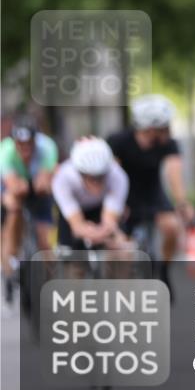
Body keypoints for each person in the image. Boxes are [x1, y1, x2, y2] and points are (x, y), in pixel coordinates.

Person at [107, 94, 195, 289]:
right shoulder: (119, 141)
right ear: (150, 128)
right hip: (124, 193)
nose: (169, 130)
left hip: (152, 192)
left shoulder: (168, 143)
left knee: (172, 227)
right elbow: (111, 176)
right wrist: (115, 205)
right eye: (165, 127)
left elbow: (174, 172)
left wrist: (182, 203)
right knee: (121, 248)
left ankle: (163, 269)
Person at [1, 116, 58, 301]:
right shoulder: (6, 151)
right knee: (14, 207)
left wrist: (37, 184)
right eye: (20, 144)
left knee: (44, 235)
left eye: (29, 144)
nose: (25, 149)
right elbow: (12, 185)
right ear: (14, 142)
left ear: (35, 141)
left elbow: (43, 182)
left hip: (37, 187)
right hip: (11, 185)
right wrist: (20, 187)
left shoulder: (47, 147)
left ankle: (50, 280)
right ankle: (9, 262)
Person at [52, 137, 132, 251]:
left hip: (101, 207)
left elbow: (109, 222)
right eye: (90, 177)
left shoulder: (118, 176)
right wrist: (88, 232)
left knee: (119, 248)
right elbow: (77, 227)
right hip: (74, 212)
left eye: (100, 176)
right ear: (80, 173)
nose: (96, 182)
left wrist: (109, 235)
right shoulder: (63, 178)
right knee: (71, 259)